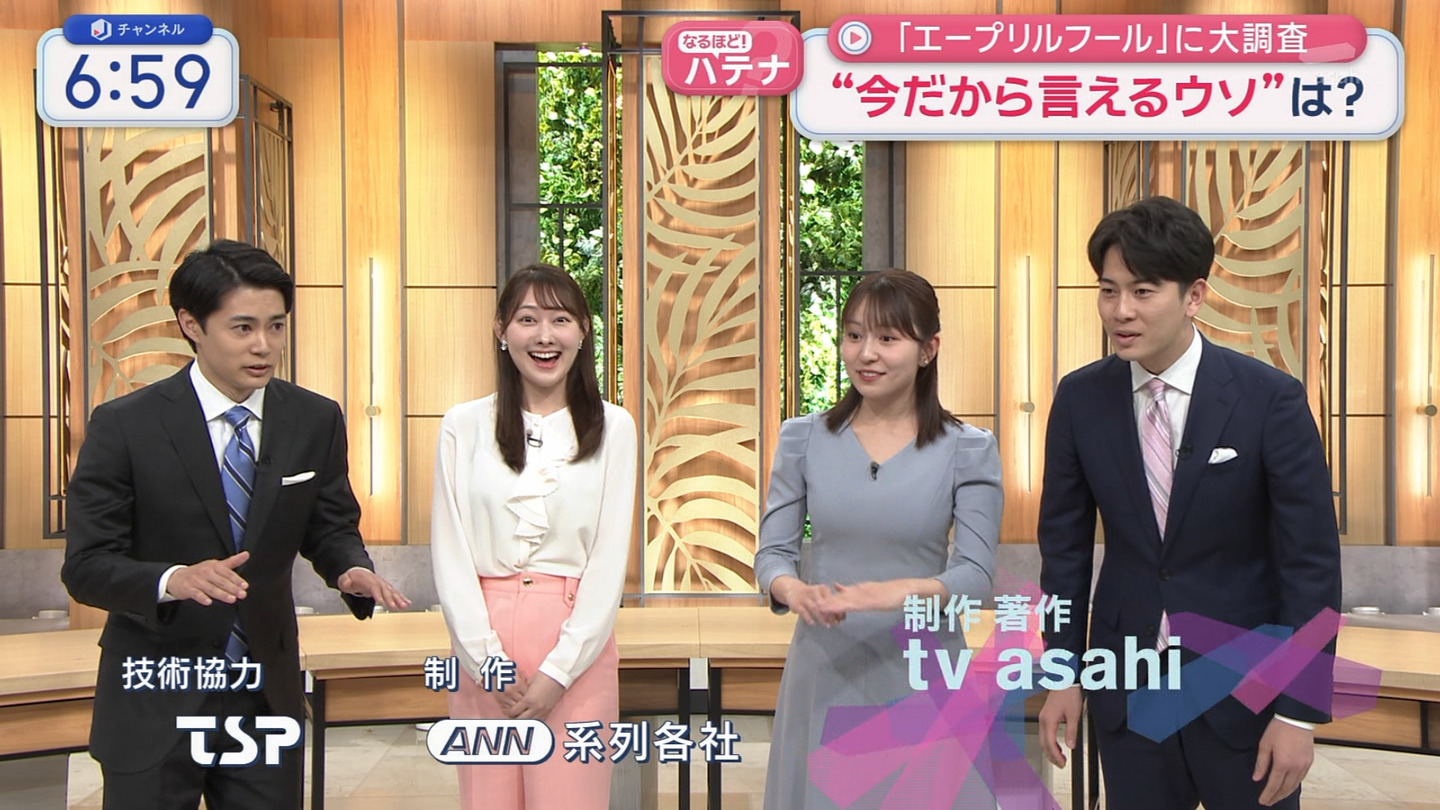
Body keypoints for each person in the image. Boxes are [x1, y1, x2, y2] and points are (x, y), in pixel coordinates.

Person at [61, 239, 410, 809]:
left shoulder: (313, 418)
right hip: (156, 690)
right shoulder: (125, 425)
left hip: (262, 696)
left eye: (276, 326)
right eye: (243, 328)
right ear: (191, 325)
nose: (264, 345)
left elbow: (330, 525)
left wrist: (350, 568)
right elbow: (86, 566)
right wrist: (172, 579)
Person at [1036, 196, 1341, 809]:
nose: (1120, 311)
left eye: (1143, 291)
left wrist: (1299, 712)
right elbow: (1063, 552)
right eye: (1108, 291)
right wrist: (1062, 672)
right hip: (1129, 689)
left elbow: (1310, 565)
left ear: (1194, 295)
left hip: (1247, 693)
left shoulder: (1268, 399)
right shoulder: (1080, 398)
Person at [754, 268, 1002, 809]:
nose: (866, 353)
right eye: (854, 335)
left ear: (928, 349)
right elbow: (772, 554)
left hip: (924, 671)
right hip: (826, 666)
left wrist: (895, 592)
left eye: (888, 338)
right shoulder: (802, 438)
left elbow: (976, 577)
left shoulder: (968, 448)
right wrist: (793, 590)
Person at [431, 263, 637, 810]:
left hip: (576, 642)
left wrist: (559, 671)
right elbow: (450, 553)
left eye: (560, 320)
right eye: (527, 320)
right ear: (501, 330)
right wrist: (485, 661)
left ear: (583, 331)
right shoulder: (462, 425)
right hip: (481, 640)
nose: (545, 336)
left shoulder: (614, 427)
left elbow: (608, 559)